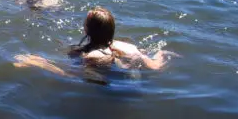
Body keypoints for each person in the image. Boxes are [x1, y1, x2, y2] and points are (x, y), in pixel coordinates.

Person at [13, 7, 179, 78]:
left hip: (112, 95)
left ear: (87, 31)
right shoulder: (129, 47)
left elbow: (70, 76)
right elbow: (156, 67)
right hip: (133, 88)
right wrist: (161, 53)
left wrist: (40, 63)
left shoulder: (91, 56)